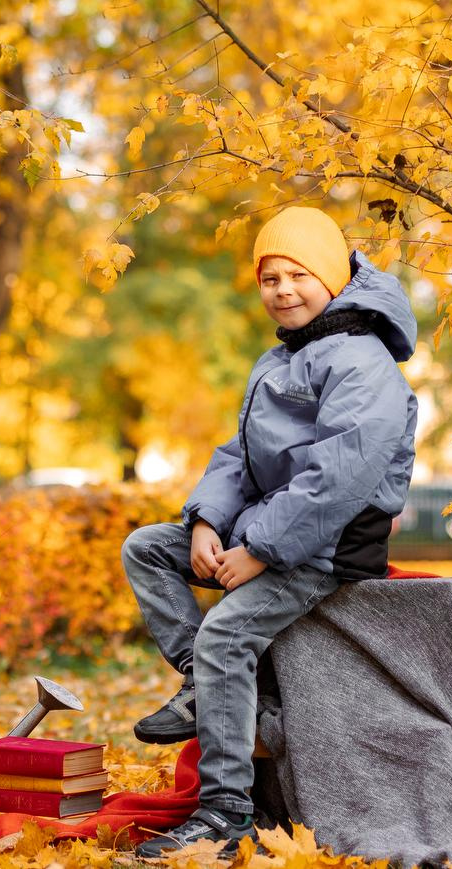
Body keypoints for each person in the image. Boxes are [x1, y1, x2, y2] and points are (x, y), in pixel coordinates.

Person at [124, 207, 420, 858]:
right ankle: (199, 682)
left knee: (227, 634)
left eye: (298, 274)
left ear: (334, 279)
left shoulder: (362, 361)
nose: (283, 289)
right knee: (148, 547)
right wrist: (206, 521)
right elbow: (239, 457)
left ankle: (224, 813)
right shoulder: (279, 359)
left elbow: (336, 478)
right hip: (267, 532)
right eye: (270, 277)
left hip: (328, 543)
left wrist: (258, 550)